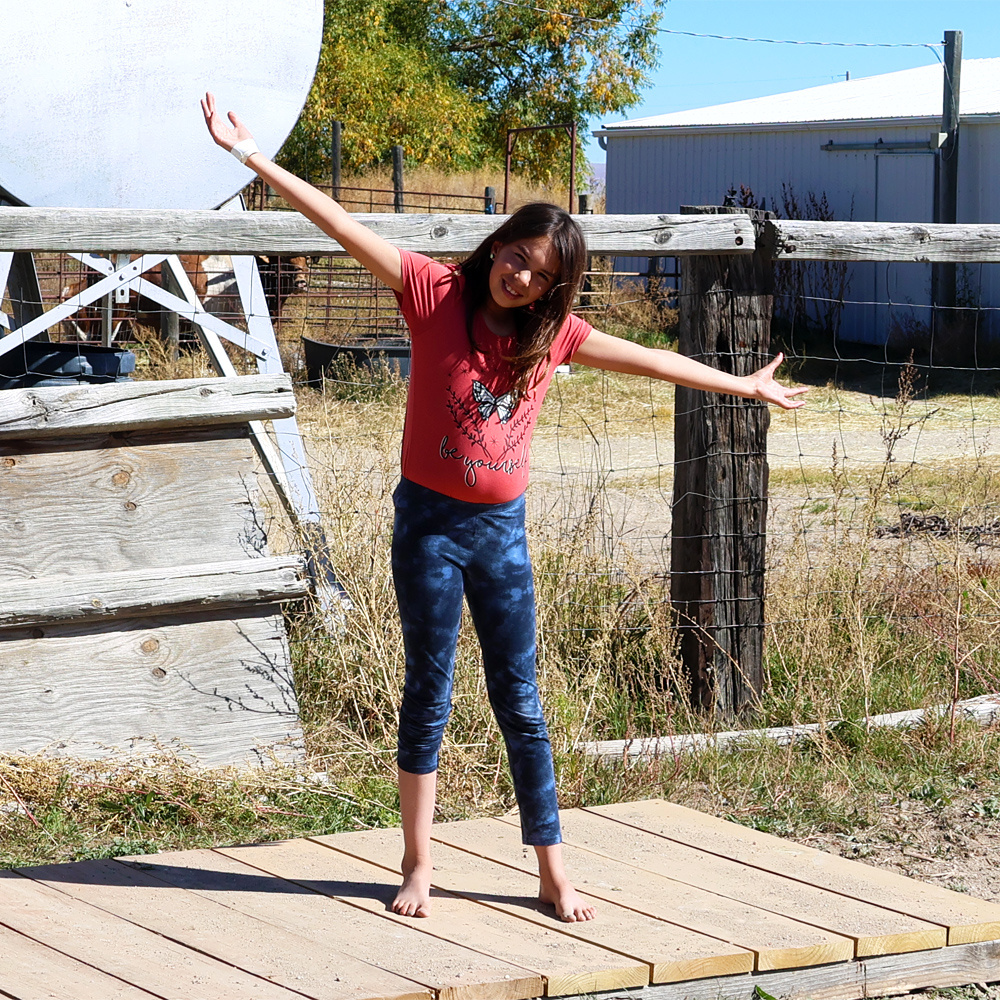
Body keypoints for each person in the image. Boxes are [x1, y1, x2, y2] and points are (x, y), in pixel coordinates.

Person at [201, 93, 807, 924]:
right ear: (499, 244)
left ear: (551, 290)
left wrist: (742, 383)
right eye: (516, 255)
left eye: (538, 275)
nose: (518, 276)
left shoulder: (552, 337)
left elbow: (656, 361)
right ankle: (417, 862)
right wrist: (253, 158)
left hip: (500, 536)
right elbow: (342, 224)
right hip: (428, 528)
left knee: (519, 697)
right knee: (429, 690)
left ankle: (552, 869)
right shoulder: (433, 295)